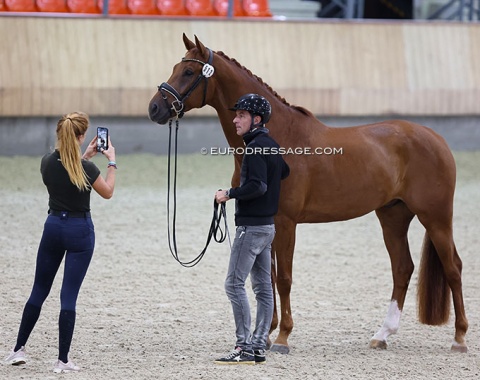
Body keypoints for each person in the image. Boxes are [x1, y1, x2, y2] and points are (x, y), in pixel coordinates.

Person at [4, 112, 117, 373]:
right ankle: (62, 360)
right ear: (80, 137)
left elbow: (67, 175)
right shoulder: (87, 169)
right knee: (68, 297)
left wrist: (84, 157)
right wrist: (111, 162)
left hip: (53, 227)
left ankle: (18, 349)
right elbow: (108, 192)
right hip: (79, 230)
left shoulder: (46, 162)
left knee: (38, 291)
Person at [214, 94, 290, 365]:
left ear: (256, 120)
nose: (235, 119)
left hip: (251, 228)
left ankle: (244, 345)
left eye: (242, 115)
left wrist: (229, 193)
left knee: (234, 284)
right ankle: (257, 346)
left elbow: (258, 186)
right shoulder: (269, 144)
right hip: (267, 228)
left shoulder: (255, 147)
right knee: (263, 288)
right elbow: (284, 172)